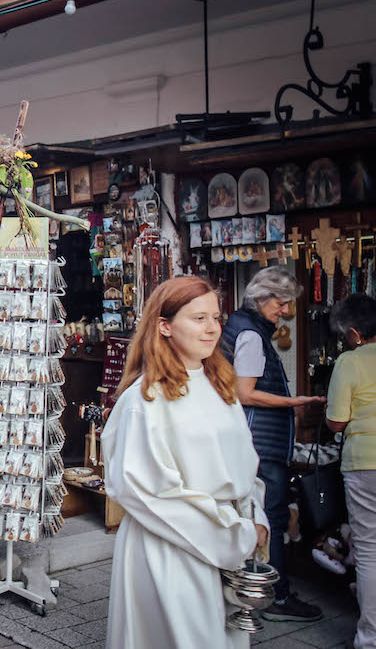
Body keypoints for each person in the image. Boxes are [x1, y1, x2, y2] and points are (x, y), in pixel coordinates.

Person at [102, 276, 269, 649]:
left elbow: (244, 468)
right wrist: (236, 534)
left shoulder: (220, 387)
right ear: (164, 326)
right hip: (170, 547)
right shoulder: (145, 400)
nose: (212, 328)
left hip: (227, 542)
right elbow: (149, 493)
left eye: (216, 317)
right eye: (198, 319)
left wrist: (256, 517)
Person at [221, 266, 326, 622]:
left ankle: (255, 589)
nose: (284, 311)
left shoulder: (242, 325)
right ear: (262, 298)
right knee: (272, 516)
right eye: (281, 304)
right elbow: (245, 394)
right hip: (259, 441)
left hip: (252, 439)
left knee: (260, 514)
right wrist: (295, 403)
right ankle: (276, 598)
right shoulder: (251, 335)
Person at [326, 294, 376, 649]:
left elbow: (336, 422)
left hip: (365, 463)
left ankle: (369, 638)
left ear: (355, 333)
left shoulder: (350, 361)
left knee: (370, 550)